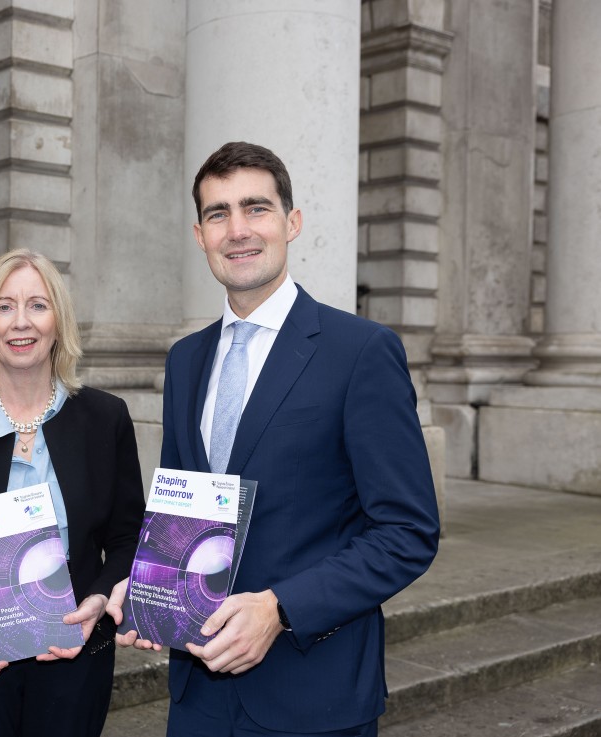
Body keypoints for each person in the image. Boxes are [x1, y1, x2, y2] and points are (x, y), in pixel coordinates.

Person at [108, 142, 440, 737]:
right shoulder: (185, 360)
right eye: (218, 214)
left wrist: (281, 609)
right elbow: (183, 514)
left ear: (292, 222)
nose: (237, 230)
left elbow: (408, 532)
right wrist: (149, 587)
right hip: (197, 696)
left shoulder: (361, 352)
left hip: (312, 693)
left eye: (256, 208)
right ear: (199, 233)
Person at [0, 249, 146, 737]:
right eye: (4, 305)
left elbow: (127, 539)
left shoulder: (106, 418)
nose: (21, 323)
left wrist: (100, 600)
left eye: (37, 305)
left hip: (74, 658)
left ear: (59, 321)